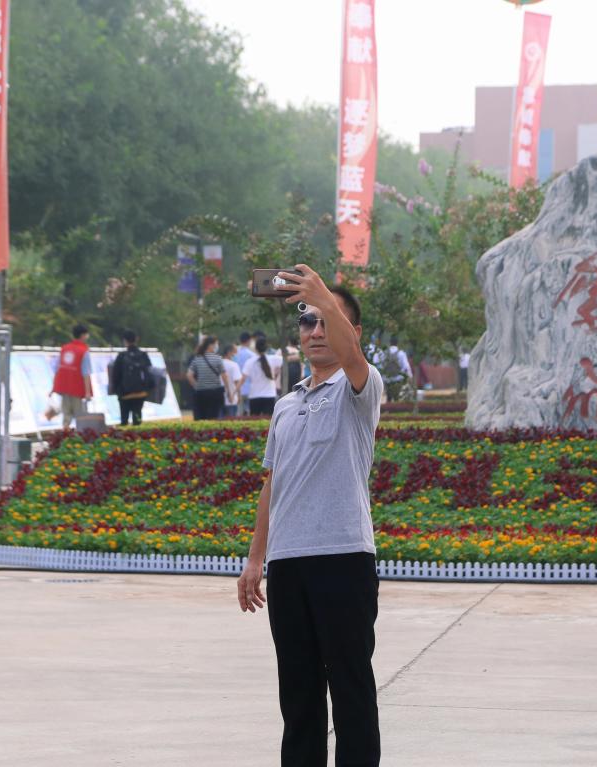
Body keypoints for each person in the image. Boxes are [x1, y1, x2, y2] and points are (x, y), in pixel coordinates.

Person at [237, 266, 383, 766]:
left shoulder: (360, 388)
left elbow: (354, 358)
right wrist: (255, 558)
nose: (316, 331)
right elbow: (273, 483)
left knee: (351, 690)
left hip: (344, 559)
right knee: (298, 696)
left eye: (328, 320)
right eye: (307, 322)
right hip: (288, 564)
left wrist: (319, 292)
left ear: (352, 331)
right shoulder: (285, 405)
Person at [52, 324, 93, 428]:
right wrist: (88, 392)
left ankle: (65, 436)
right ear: (83, 335)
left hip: (64, 388)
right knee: (81, 418)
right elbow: (86, 373)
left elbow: (57, 369)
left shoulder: (64, 349)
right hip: (78, 389)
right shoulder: (84, 351)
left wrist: (54, 387)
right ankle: (79, 437)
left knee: (66, 417)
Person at [111, 330, 152, 426]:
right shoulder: (143, 355)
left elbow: (115, 375)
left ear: (125, 341)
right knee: (137, 419)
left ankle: (125, 434)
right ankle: (137, 434)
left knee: (124, 420)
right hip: (140, 393)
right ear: (136, 339)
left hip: (124, 393)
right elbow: (149, 373)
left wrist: (116, 390)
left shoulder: (121, 356)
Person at [186, 336, 229, 421]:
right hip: (214, 393)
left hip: (200, 393)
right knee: (213, 418)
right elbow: (224, 376)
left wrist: (197, 386)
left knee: (200, 418)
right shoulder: (218, 358)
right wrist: (228, 391)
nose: (217, 346)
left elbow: (189, 375)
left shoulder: (197, 358)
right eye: (216, 344)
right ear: (210, 345)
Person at [241, 338, 281, 416]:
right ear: (266, 347)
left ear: (255, 348)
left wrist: (235, 392)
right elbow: (286, 360)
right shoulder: (274, 359)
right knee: (268, 421)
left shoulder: (250, 362)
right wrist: (277, 372)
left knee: (254, 421)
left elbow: (242, 379)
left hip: (254, 396)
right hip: (269, 395)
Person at [233, 332, 256, 416]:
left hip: (237, 387)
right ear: (249, 341)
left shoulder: (234, 354)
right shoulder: (252, 355)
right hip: (249, 388)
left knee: (239, 414)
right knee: (249, 414)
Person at [221, 343, 243, 419]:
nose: (236, 354)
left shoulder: (218, 363)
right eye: (235, 352)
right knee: (231, 422)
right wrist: (239, 395)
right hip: (232, 399)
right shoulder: (234, 365)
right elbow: (237, 382)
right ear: (229, 352)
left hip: (219, 399)